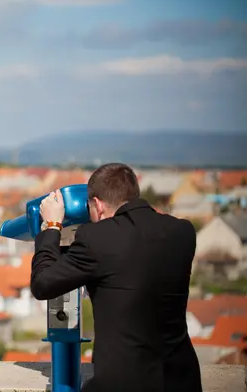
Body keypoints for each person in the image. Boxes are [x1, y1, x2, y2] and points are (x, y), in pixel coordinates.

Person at [31, 163, 202, 392]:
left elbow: (43, 284)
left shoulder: (96, 239)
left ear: (98, 205)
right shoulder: (182, 232)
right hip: (182, 381)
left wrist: (52, 225)